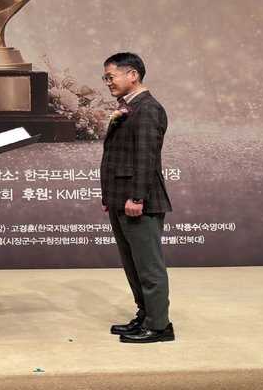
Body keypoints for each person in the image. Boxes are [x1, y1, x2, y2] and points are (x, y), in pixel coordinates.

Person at [99, 52, 175, 343]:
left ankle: (159, 326)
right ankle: (145, 316)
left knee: (148, 265)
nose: (108, 82)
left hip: (139, 201)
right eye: (105, 77)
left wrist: (137, 197)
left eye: (111, 76)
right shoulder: (128, 107)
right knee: (133, 264)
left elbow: (146, 157)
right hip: (121, 198)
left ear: (133, 74)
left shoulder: (148, 108)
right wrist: (110, 195)